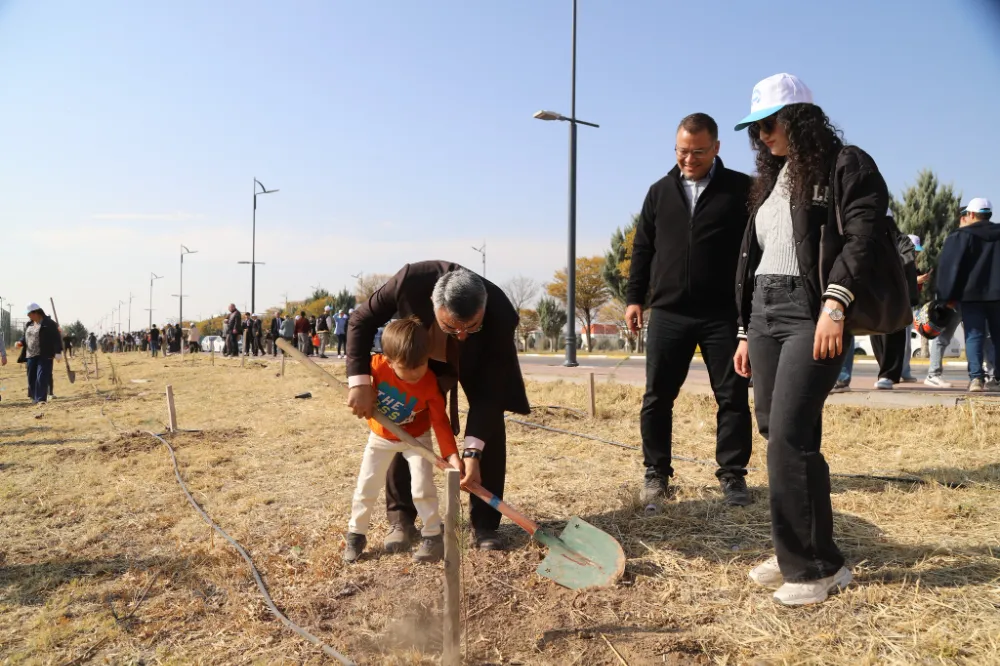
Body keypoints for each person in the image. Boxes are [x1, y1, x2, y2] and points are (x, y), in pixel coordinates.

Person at [732, 73, 889, 605]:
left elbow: (863, 234)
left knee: (790, 437)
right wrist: (743, 331)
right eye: (754, 130)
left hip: (811, 310)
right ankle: (805, 553)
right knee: (779, 430)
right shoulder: (774, 178)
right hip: (763, 313)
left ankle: (813, 569)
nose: (762, 137)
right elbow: (758, 255)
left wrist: (835, 303)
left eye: (769, 124)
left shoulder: (846, 163)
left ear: (800, 119)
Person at [347, 263, 530, 550]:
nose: (461, 336)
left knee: (491, 429)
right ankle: (401, 519)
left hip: (476, 365)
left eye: (472, 326)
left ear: (484, 308)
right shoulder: (409, 283)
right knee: (401, 420)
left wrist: (472, 453)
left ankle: (485, 525)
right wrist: (359, 382)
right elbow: (360, 320)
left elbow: (491, 393)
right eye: (451, 326)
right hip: (417, 354)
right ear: (433, 305)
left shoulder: (501, 314)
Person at [626, 112, 754, 507]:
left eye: (698, 152)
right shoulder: (659, 191)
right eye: (682, 151)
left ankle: (733, 476)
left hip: (722, 315)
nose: (689, 159)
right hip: (668, 312)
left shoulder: (742, 190)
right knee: (657, 397)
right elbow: (643, 248)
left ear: (716, 148)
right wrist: (635, 298)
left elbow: (754, 251)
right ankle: (656, 473)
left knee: (731, 397)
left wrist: (748, 312)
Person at [343, 317, 464, 563]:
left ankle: (432, 535)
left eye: (419, 366)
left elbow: (440, 422)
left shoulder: (430, 383)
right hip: (380, 436)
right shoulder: (374, 367)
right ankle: (356, 534)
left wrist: (451, 455)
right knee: (366, 486)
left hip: (416, 438)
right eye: (405, 369)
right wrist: (358, 390)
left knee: (422, 487)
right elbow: (357, 382)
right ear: (388, 360)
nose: (413, 375)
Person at [936, 197, 1000, 392]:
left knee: (974, 336)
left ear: (971, 214)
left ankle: (976, 379)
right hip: (998, 295)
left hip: (971, 296)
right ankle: (998, 379)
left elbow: (951, 268)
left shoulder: (961, 236)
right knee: (998, 337)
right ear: (989, 215)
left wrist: (945, 297)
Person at [17, 303, 63, 404]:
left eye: (30, 314)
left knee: (41, 376)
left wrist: (58, 351)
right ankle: (34, 397)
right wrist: (21, 342)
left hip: (45, 354)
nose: (28, 316)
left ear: (36, 312)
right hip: (30, 355)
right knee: (31, 378)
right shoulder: (29, 324)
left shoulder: (49, 323)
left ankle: (41, 399)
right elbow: (25, 336)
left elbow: (56, 338)